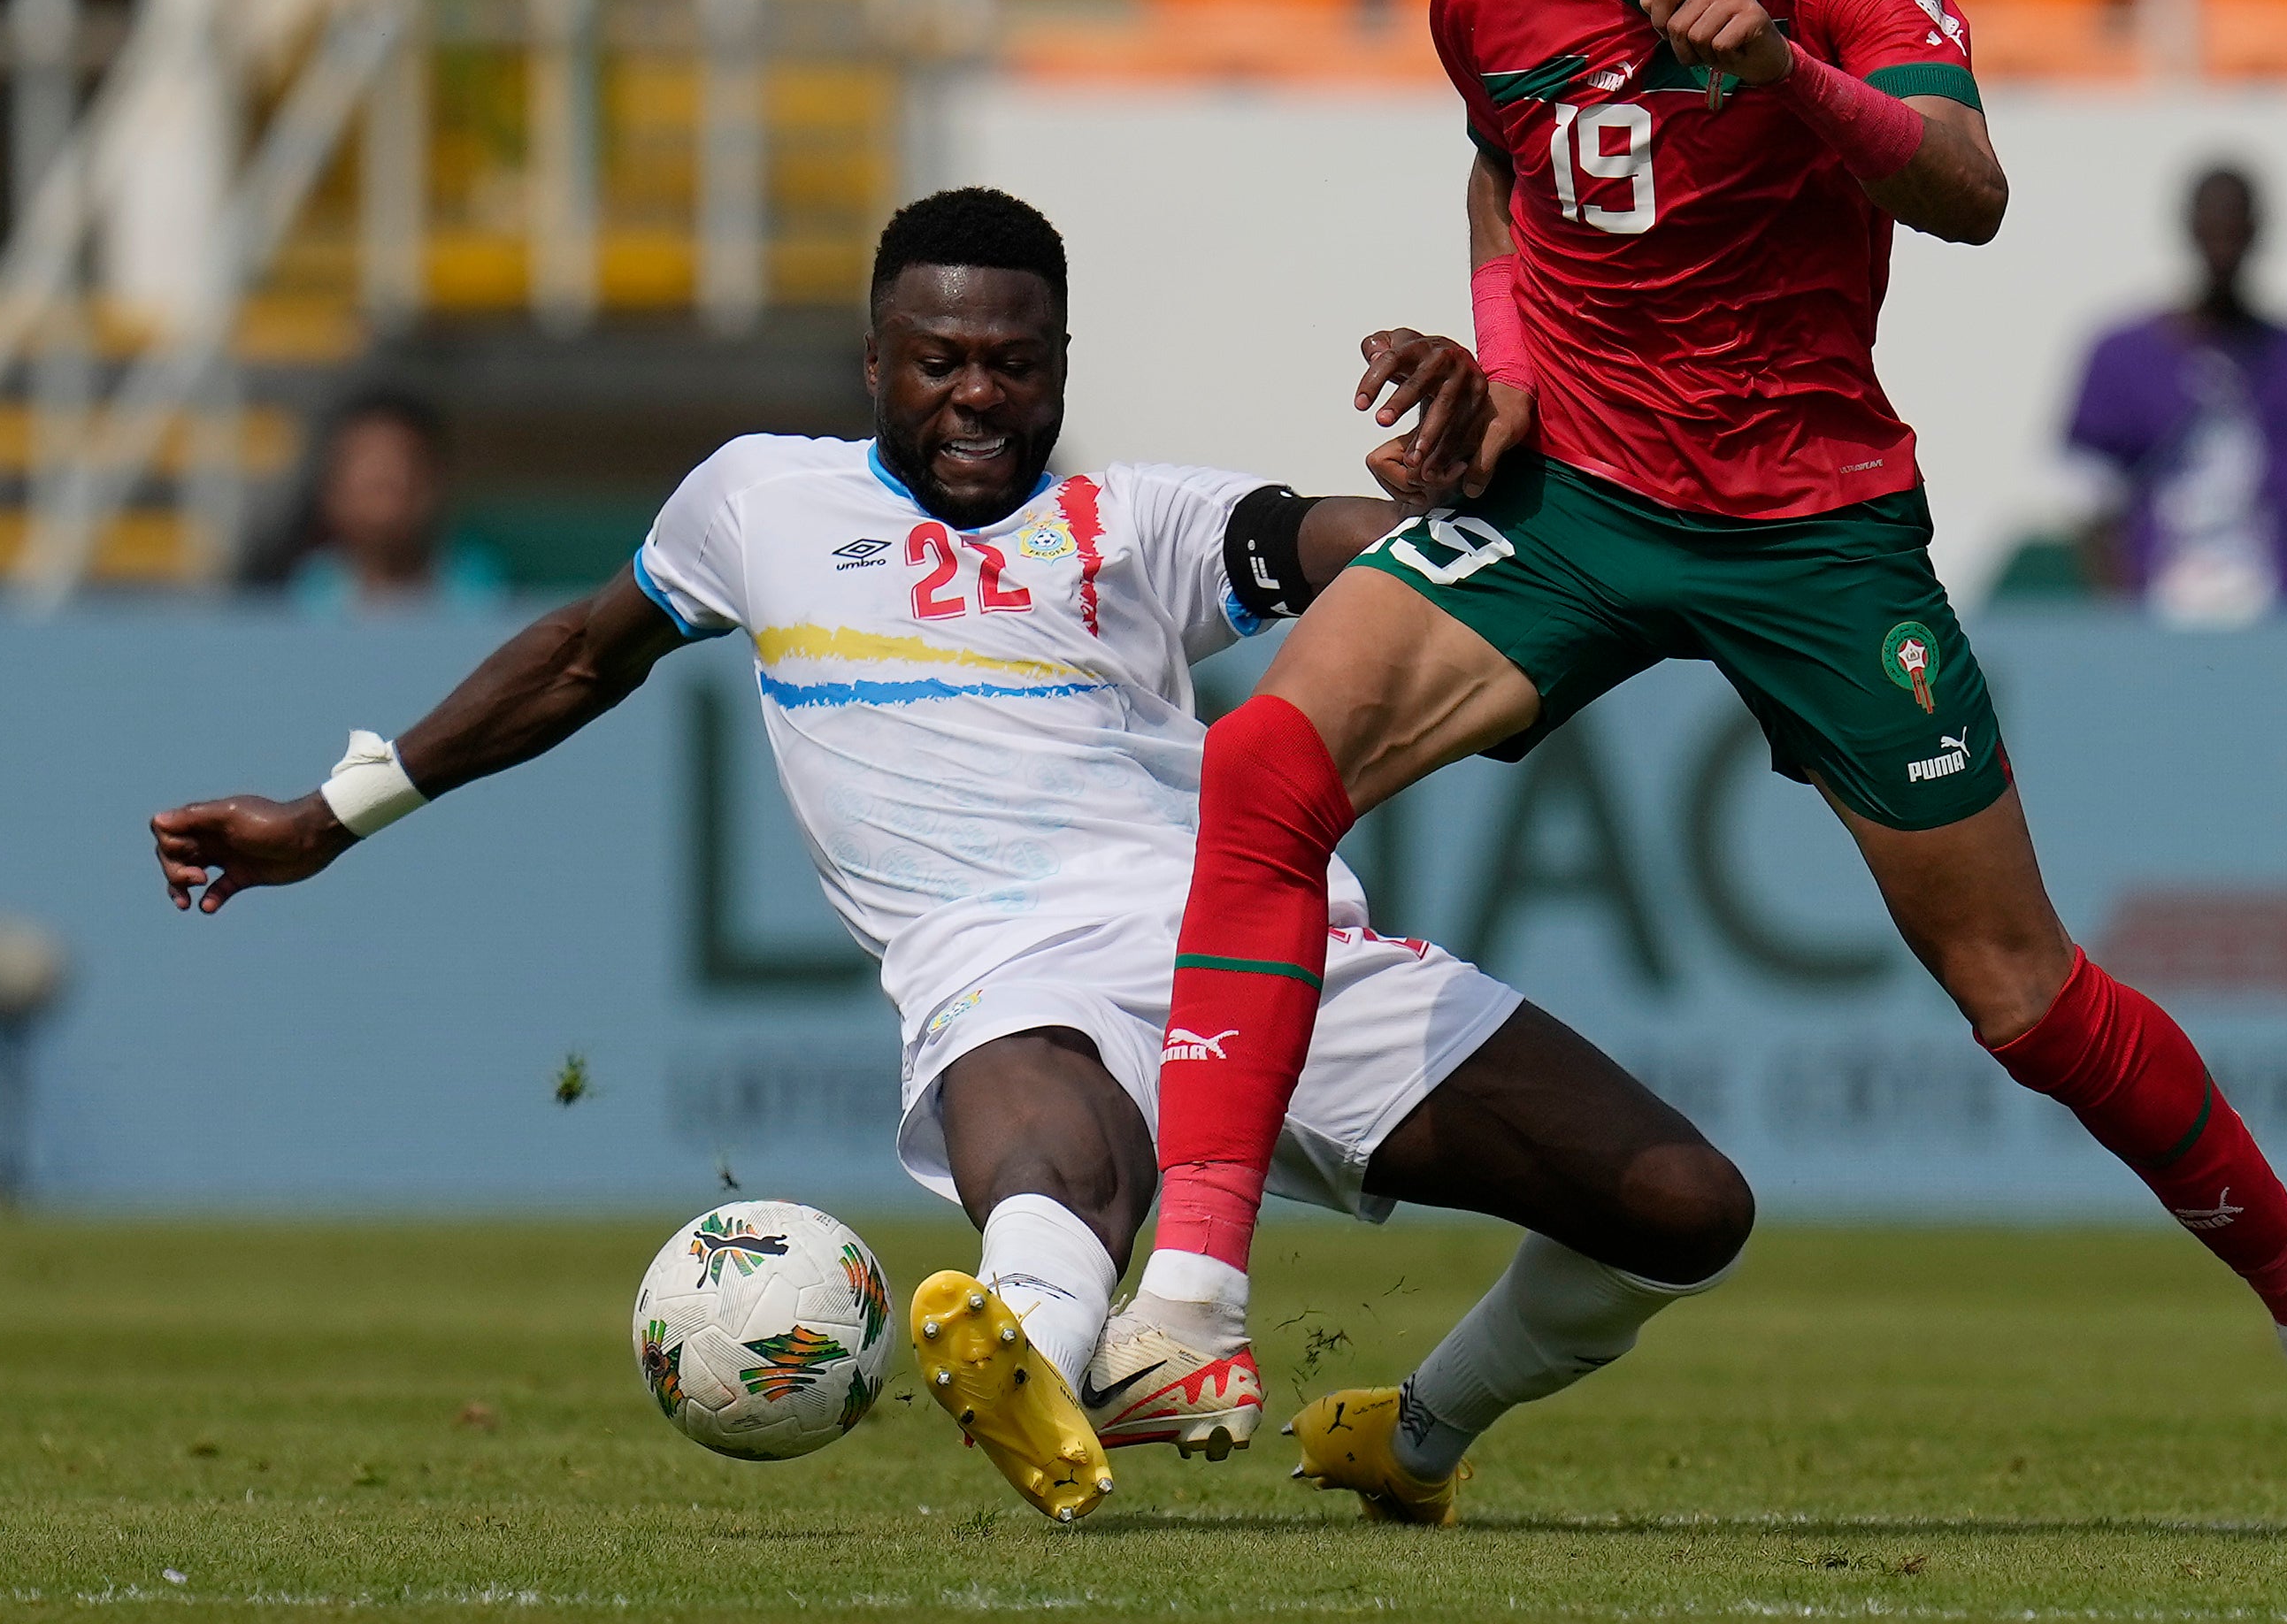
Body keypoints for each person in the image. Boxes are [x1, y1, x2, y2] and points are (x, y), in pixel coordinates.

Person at [1105, 0, 2287, 1542]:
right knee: (1266, 767)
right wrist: (1507, 370)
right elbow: (1503, 167)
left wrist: (1785, 72)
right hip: (1578, 500)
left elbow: (1969, 192)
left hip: (1810, 528)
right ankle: (1192, 1308)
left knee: (2024, 1000)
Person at [148, 188, 1751, 1528]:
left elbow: (1345, 541)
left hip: (1259, 947)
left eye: (1012, 363)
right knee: (1061, 1158)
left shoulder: (1133, 520)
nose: (976, 396)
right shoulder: (758, 502)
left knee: (1684, 1209)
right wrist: (328, 815)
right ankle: (1032, 1366)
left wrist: (1456, 496)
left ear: (1060, 367)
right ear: (873, 362)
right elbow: (579, 655)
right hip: (1005, 968)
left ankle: (1412, 1435)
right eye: (938, 362)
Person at [2066, 164, 2287, 633]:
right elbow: (2090, 505)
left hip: (2281, 612)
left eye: (2235, 228)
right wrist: (2124, 618)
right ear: (2190, 229)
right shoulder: (2120, 356)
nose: (2224, 245)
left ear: (2257, 232)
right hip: (2158, 610)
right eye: (2214, 227)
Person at [265, 390, 509, 615]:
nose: (385, 485)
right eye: (368, 476)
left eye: (401, 466)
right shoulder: (295, 599)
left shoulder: (485, 594)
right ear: (331, 490)